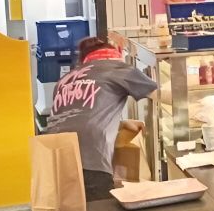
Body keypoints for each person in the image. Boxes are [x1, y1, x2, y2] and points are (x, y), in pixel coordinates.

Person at [45, 34, 158, 202]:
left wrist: (121, 124)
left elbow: (76, 115)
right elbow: (160, 95)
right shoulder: (117, 68)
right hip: (91, 156)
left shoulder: (65, 79)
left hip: (54, 155)